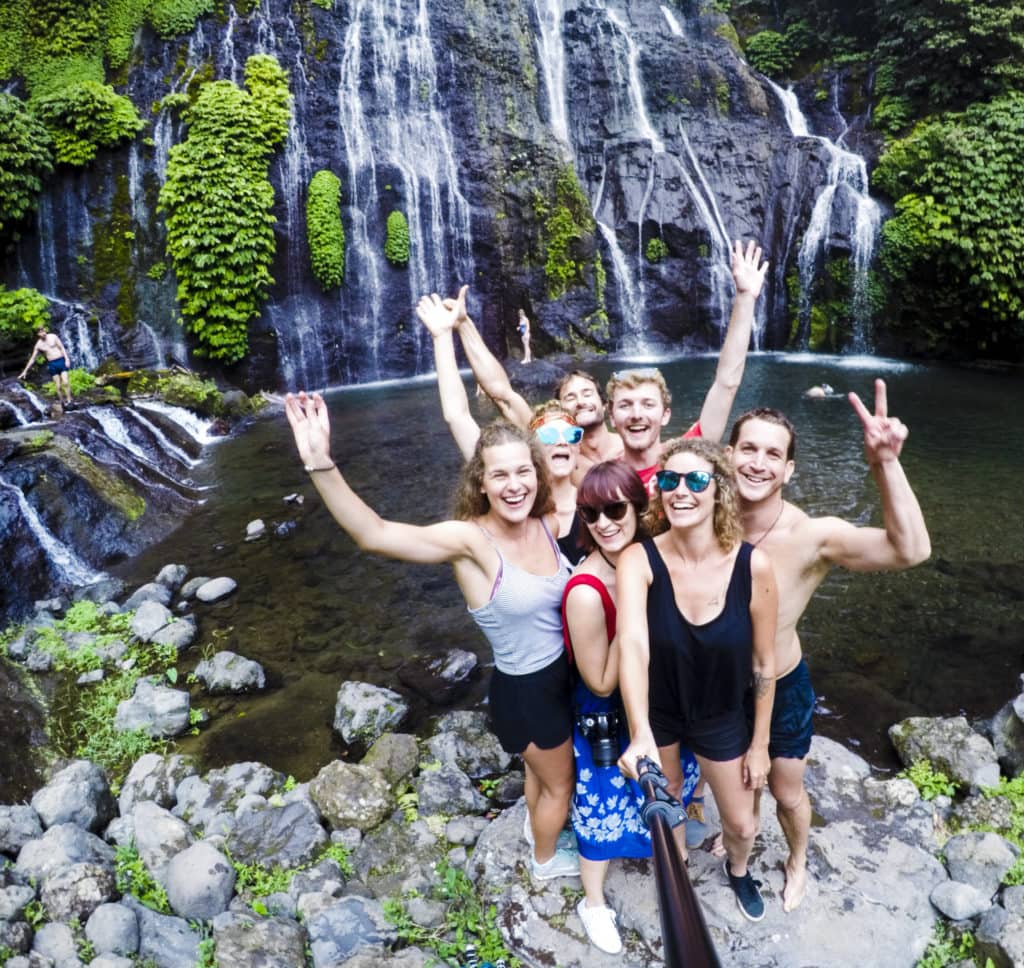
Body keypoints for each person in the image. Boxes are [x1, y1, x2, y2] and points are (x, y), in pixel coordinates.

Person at [284, 394, 579, 880]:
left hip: (557, 679)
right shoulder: (469, 541)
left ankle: (534, 829)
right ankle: (545, 860)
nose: (514, 485)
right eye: (499, 475)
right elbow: (374, 534)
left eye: (523, 471)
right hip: (526, 690)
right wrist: (321, 464)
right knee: (560, 784)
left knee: (538, 773)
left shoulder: (544, 524)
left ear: (537, 472)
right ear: (480, 482)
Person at [703, 380, 930, 913]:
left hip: (780, 686)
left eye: (773, 454)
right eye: (749, 449)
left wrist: (885, 464)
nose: (758, 463)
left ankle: (798, 856)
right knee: (741, 786)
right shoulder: (699, 516)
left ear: (789, 470)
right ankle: (742, 832)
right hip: (718, 691)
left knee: (786, 791)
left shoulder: (811, 537)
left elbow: (911, 550)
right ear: (729, 455)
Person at [451, 240, 769, 487]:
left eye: (647, 404)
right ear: (613, 415)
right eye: (627, 405)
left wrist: (744, 298)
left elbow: (726, 383)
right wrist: (463, 324)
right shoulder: (582, 470)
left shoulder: (682, 459)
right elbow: (504, 396)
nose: (637, 414)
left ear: (665, 414)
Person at [617, 437, 778, 923]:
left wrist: (760, 745)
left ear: (719, 492)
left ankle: (737, 867)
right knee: (666, 817)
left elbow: (764, 664)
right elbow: (632, 644)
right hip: (660, 713)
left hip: (720, 714)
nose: (680, 491)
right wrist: (640, 730)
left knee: (743, 823)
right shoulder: (639, 560)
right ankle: (680, 869)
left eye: (696, 480)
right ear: (659, 492)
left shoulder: (754, 565)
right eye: (669, 480)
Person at [562, 460, 699, 952]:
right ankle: (593, 901)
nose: (604, 523)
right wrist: (632, 608)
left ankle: (675, 862)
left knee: (670, 785)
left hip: (657, 704)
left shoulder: (652, 555)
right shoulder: (586, 589)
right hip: (608, 715)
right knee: (601, 806)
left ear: (640, 509)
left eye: (615, 508)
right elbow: (598, 682)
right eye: (591, 513)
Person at [415, 291, 588, 564]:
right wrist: (444, 336)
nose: (561, 441)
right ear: (533, 447)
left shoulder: (603, 505)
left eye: (571, 435)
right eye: (549, 434)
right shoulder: (515, 497)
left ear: (579, 445)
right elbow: (458, 415)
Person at [19, 326, 73, 408]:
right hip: (52, 364)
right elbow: (33, 359)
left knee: (65, 382)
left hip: (61, 360)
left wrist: (67, 359)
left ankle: (69, 401)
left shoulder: (53, 337)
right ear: (38, 334)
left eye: (43, 331)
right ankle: (62, 403)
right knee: (58, 386)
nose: (43, 333)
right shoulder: (38, 345)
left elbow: (62, 348)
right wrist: (25, 371)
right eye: (40, 332)